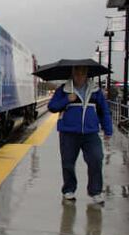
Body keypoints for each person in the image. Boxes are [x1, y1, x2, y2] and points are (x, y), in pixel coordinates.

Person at [47, 66, 113, 205]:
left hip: (91, 133)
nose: (79, 75)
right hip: (68, 133)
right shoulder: (64, 90)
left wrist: (108, 130)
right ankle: (68, 190)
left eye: (82, 73)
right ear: (72, 73)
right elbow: (52, 107)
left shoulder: (96, 92)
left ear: (87, 74)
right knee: (68, 163)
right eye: (77, 72)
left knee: (96, 159)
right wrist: (66, 100)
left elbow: (104, 111)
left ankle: (95, 192)